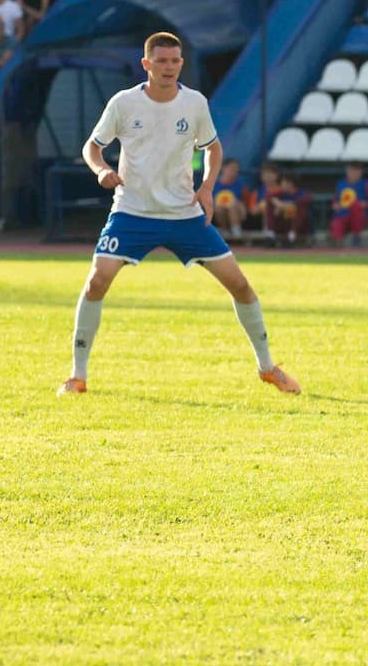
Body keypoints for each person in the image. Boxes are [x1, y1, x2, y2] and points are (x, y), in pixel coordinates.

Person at [64, 31, 300, 396]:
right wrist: (101, 171)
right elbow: (92, 148)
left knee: (240, 285)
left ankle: (268, 368)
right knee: (97, 281)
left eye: (175, 61)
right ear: (146, 64)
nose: (169, 67)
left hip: (184, 214)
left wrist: (206, 188)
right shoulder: (124, 103)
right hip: (132, 212)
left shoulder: (194, 103)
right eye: (161, 61)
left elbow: (213, 149)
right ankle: (77, 377)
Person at [331, 160, 368, 246]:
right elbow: (335, 199)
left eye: (356, 171)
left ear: (361, 172)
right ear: (347, 171)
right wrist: (335, 204)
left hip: (359, 216)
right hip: (342, 215)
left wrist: (366, 204)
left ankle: (356, 237)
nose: (353, 173)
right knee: (336, 224)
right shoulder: (341, 184)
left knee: (355, 205)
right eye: (351, 170)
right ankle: (337, 244)